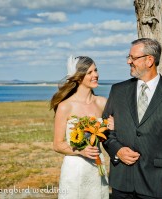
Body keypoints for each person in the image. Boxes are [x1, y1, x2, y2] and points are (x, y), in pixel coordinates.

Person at [103, 38, 162, 199]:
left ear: (149, 60)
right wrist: (117, 150)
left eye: (133, 58)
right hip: (122, 183)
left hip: (157, 184)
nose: (129, 61)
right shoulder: (118, 91)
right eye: (128, 57)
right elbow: (104, 130)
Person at [50, 55, 113, 199]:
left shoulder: (103, 103)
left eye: (96, 70)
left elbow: (111, 135)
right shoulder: (65, 106)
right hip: (75, 168)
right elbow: (57, 145)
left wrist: (113, 126)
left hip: (98, 166)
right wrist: (81, 151)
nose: (96, 75)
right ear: (78, 77)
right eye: (90, 72)